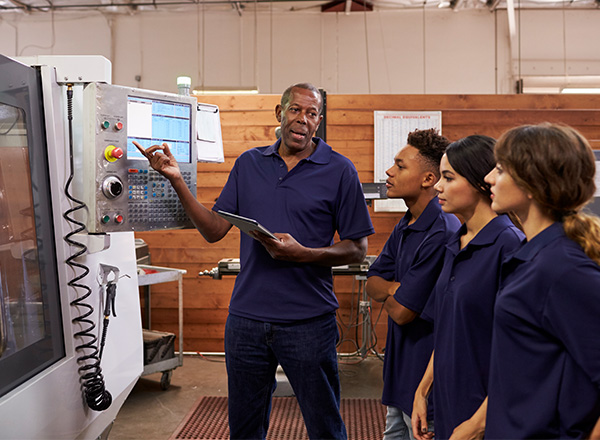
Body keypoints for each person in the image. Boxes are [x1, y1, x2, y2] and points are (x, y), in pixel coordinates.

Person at [134, 82, 374, 440]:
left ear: (319, 121)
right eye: (295, 110)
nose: (303, 120)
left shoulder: (340, 170)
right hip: (247, 322)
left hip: (309, 323)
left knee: (325, 425)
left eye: (311, 114)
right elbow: (214, 229)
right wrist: (175, 180)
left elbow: (357, 248)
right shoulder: (249, 164)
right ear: (280, 114)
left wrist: (304, 254)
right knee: (244, 428)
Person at [484, 123, 600, 439]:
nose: (489, 179)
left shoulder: (561, 267)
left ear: (532, 183)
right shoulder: (531, 255)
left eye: (500, 170)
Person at [410, 136, 524, 440]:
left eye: (448, 178)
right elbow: (448, 330)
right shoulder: (456, 242)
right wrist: (423, 391)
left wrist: (478, 424)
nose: (437, 186)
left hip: (486, 410)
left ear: (479, 183)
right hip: (450, 401)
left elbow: (519, 353)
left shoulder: (508, 245)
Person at [366, 128, 461, 440]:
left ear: (428, 179)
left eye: (400, 166)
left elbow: (403, 312)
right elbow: (373, 283)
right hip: (400, 377)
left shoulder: (443, 230)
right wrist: (397, 288)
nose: (389, 172)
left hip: (427, 381)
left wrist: (394, 291)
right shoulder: (406, 223)